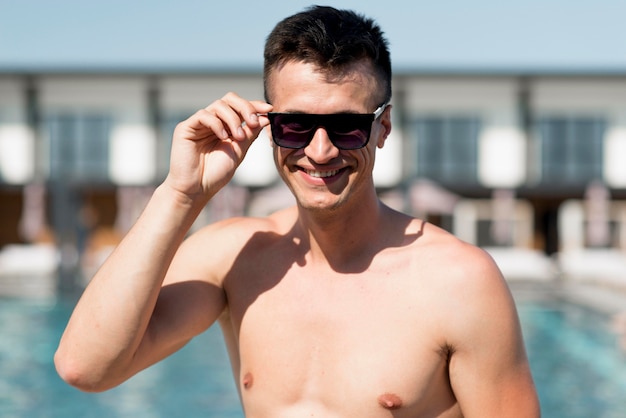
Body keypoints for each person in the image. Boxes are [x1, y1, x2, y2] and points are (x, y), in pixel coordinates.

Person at [55, 5, 540, 417]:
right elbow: (87, 368)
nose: (321, 150)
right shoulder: (236, 256)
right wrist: (180, 194)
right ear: (267, 124)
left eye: (347, 126)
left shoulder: (459, 281)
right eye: (296, 125)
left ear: (383, 127)